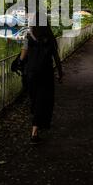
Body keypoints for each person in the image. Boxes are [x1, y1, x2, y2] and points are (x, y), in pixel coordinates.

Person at [19, 15, 63, 144]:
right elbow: (56, 57)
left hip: (31, 74)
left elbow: (22, 56)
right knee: (44, 100)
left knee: (35, 100)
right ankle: (35, 131)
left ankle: (37, 124)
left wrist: (20, 64)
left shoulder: (28, 38)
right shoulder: (50, 38)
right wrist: (60, 73)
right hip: (46, 73)